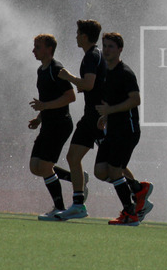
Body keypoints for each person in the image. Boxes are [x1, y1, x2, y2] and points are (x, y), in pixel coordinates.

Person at [92, 32, 148, 226]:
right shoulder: (107, 71)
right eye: (104, 46)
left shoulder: (125, 72)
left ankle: (130, 213)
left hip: (127, 130)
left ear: (120, 49)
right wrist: (106, 116)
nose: (106, 50)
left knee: (115, 171)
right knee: (100, 171)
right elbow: (116, 101)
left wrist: (110, 110)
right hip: (113, 129)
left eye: (111, 46)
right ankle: (138, 188)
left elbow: (136, 100)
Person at [54, 19, 107, 218]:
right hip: (92, 116)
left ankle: (138, 191)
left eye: (77, 33)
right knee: (73, 157)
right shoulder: (94, 55)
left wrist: (68, 77)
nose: (76, 37)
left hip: (95, 117)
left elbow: (89, 84)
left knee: (111, 165)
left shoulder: (91, 56)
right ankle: (78, 204)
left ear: (84, 36)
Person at [27, 33, 76, 220]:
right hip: (48, 123)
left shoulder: (57, 69)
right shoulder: (41, 70)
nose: (33, 50)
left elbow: (70, 97)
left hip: (61, 124)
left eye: (37, 47)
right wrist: (39, 118)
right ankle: (75, 178)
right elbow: (47, 99)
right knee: (35, 166)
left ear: (49, 49)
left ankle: (59, 209)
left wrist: (44, 107)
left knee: (46, 167)